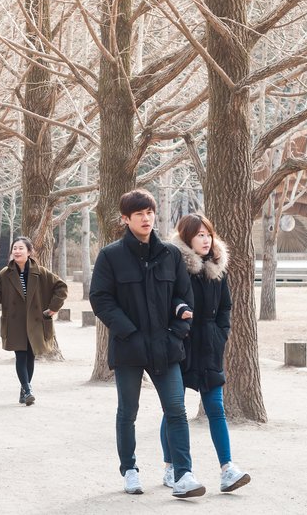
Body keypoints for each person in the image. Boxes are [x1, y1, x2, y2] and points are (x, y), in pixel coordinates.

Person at [89, 189, 204, 498]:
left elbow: (184, 296)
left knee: (176, 409)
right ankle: (129, 469)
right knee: (128, 411)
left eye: (150, 212)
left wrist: (178, 330)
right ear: (126, 219)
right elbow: (100, 298)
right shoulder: (110, 256)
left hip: (166, 346)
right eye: (138, 213)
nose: (146, 218)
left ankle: (183, 474)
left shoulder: (170, 254)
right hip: (128, 347)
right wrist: (128, 331)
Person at [162, 214, 251, 494]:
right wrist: (178, 329)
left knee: (216, 409)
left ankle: (227, 469)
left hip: (210, 348)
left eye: (208, 234)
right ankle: (171, 468)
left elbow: (226, 307)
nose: (205, 239)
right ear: (187, 238)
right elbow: (165, 302)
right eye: (199, 234)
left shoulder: (216, 270)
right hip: (181, 348)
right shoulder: (175, 266)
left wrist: (220, 333)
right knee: (175, 410)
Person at [0, 237, 67, 406]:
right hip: (15, 322)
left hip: (35, 321)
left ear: (29, 252)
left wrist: (53, 308)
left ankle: (24, 391)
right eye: (14, 248)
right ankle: (28, 389)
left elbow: (61, 287)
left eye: (20, 248)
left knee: (30, 357)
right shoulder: (5, 273)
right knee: (21, 355)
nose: (16, 251)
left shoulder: (41, 272)